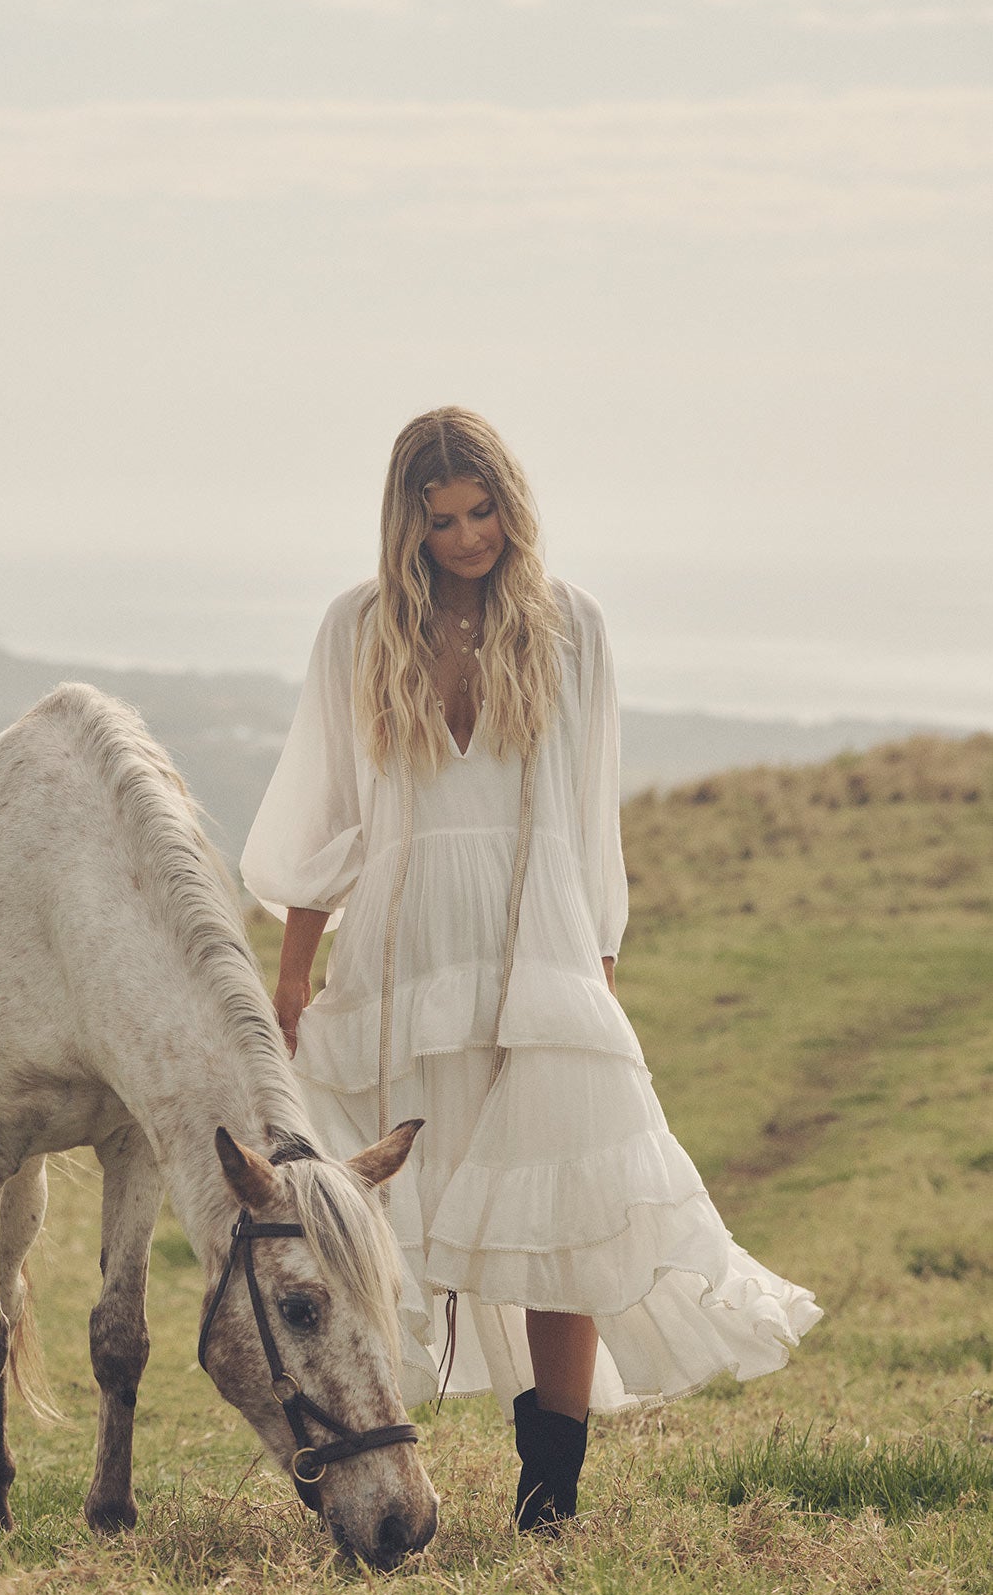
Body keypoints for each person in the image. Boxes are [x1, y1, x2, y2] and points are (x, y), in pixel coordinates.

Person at [240, 406, 820, 1530]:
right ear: (404, 525)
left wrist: (595, 964)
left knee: (566, 1224)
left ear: (512, 500)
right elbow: (325, 818)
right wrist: (295, 972)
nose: (467, 537)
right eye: (442, 519)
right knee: (370, 1227)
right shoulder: (358, 629)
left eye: (483, 510)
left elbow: (589, 815)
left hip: (540, 956)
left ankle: (547, 1502)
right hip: (404, 961)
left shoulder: (571, 627)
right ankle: (367, 1465)